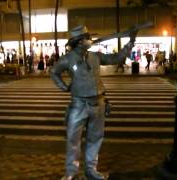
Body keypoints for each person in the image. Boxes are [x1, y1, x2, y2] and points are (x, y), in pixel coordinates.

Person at [50, 25, 134, 180]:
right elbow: (54, 72)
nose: (91, 40)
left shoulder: (95, 56)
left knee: (95, 138)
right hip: (78, 104)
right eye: (88, 38)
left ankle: (91, 170)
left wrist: (131, 42)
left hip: (98, 102)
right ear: (80, 42)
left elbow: (116, 58)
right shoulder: (67, 58)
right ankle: (71, 172)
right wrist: (63, 87)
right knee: (72, 139)